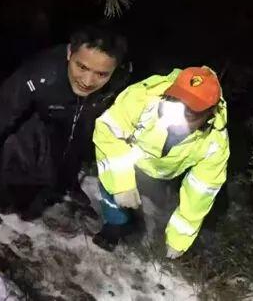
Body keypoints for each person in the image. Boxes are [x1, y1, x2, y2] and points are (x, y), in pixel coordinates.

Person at [0, 25, 131, 219]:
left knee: (85, 129)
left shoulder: (122, 83)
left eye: (101, 74)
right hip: (41, 118)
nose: (88, 81)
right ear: (70, 53)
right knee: (18, 151)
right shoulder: (41, 73)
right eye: (82, 66)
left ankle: (68, 182)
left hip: (76, 117)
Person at [92, 66, 229, 259]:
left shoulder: (215, 143)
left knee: (151, 203)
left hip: (164, 173)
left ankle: (137, 218)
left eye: (190, 112)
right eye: (175, 101)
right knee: (114, 193)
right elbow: (108, 132)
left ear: (210, 114)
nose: (179, 116)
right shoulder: (143, 97)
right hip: (127, 157)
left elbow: (201, 190)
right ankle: (113, 226)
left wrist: (179, 238)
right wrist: (121, 184)